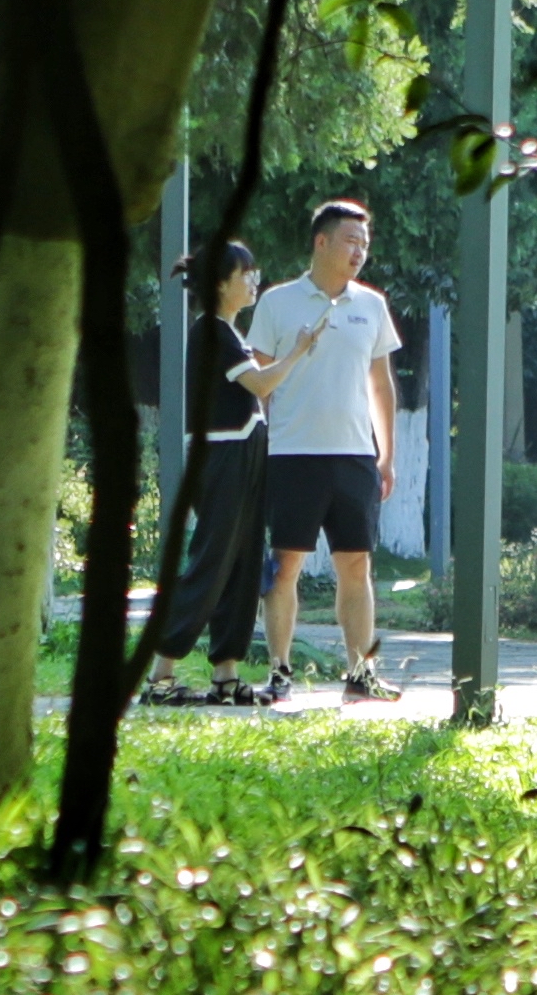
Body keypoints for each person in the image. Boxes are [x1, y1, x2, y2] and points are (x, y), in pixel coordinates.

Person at [142, 241, 326, 706]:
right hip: (224, 456)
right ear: (219, 283)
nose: (253, 279)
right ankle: (160, 677)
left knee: (244, 565)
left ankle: (226, 675)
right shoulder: (212, 332)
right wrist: (299, 350)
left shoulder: (228, 333)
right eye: (243, 273)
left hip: (245, 453)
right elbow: (261, 384)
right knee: (211, 561)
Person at [249, 198, 406, 703]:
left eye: (365, 242)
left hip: (355, 456)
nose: (359, 251)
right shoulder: (277, 302)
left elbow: (382, 386)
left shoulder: (371, 305)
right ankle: (279, 671)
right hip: (293, 454)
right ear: (321, 241)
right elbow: (258, 382)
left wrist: (386, 455)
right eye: (350, 240)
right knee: (286, 563)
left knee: (356, 565)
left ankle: (361, 674)